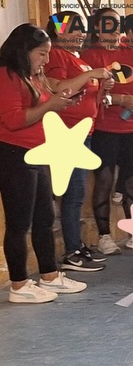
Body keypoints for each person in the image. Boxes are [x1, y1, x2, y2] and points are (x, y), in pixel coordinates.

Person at [0, 23, 89, 303]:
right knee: (19, 223)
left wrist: (64, 101)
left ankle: (49, 275)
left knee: (45, 218)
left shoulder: (32, 76)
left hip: (38, 152)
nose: (46, 60)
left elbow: (43, 106)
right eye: (41, 53)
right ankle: (18, 284)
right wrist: (51, 105)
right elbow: (14, 120)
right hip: (14, 154)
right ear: (23, 51)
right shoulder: (7, 75)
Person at [43, 11, 113, 272]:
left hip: (84, 132)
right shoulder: (56, 55)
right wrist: (91, 74)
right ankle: (71, 250)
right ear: (59, 32)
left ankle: (76, 244)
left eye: (81, 29)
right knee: (72, 193)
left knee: (77, 193)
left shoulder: (77, 58)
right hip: (67, 132)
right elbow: (59, 87)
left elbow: (84, 94)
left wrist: (102, 90)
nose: (80, 34)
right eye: (73, 29)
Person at [80, 7, 133, 255]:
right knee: (104, 181)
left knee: (132, 182)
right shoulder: (88, 56)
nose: (114, 29)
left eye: (116, 24)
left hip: (132, 128)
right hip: (103, 128)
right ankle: (104, 236)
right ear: (97, 28)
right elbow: (88, 94)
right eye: (108, 24)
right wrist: (120, 100)